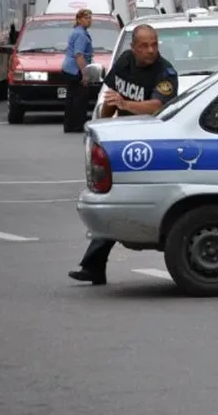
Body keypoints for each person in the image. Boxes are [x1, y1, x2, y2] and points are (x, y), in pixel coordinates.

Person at [68, 24, 178, 285]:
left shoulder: (165, 72)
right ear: (133, 47)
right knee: (114, 198)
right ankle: (93, 266)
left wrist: (125, 104)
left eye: (154, 44)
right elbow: (110, 99)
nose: (151, 50)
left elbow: (156, 106)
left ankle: (94, 265)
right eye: (145, 45)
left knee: (120, 199)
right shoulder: (125, 62)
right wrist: (106, 127)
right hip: (126, 142)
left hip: (151, 145)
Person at [60, 9, 93, 133]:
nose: (88, 20)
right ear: (78, 20)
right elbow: (79, 55)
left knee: (72, 98)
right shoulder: (81, 34)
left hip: (68, 69)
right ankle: (77, 125)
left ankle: (69, 125)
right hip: (75, 70)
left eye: (90, 18)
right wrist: (85, 74)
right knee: (80, 98)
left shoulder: (78, 31)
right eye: (85, 18)